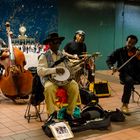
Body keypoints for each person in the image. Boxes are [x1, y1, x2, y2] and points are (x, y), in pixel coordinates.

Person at [37, 32, 81, 125]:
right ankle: (52, 114)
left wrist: (80, 65)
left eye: (59, 42)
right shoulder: (44, 56)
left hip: (64, 80)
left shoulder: (63, 55)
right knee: (49, 88)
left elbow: (70, 68)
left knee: (74, 86)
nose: (58, 44)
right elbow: (40, 71)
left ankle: (69, 113)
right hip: (50, 80)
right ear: (50, 44)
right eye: (55, 42)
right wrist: (54, 70)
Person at [106, 34, 140, 115]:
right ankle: (125, 105)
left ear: (135, 44)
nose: (130, 45)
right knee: (129, 81)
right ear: (126, 41)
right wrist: (111, 67)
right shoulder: (119, 51)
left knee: (131, 79)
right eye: (129, 42)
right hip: (124, 74)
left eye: (133, 43)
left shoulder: (137, 52)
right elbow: (109, 59)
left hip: (136, 73)